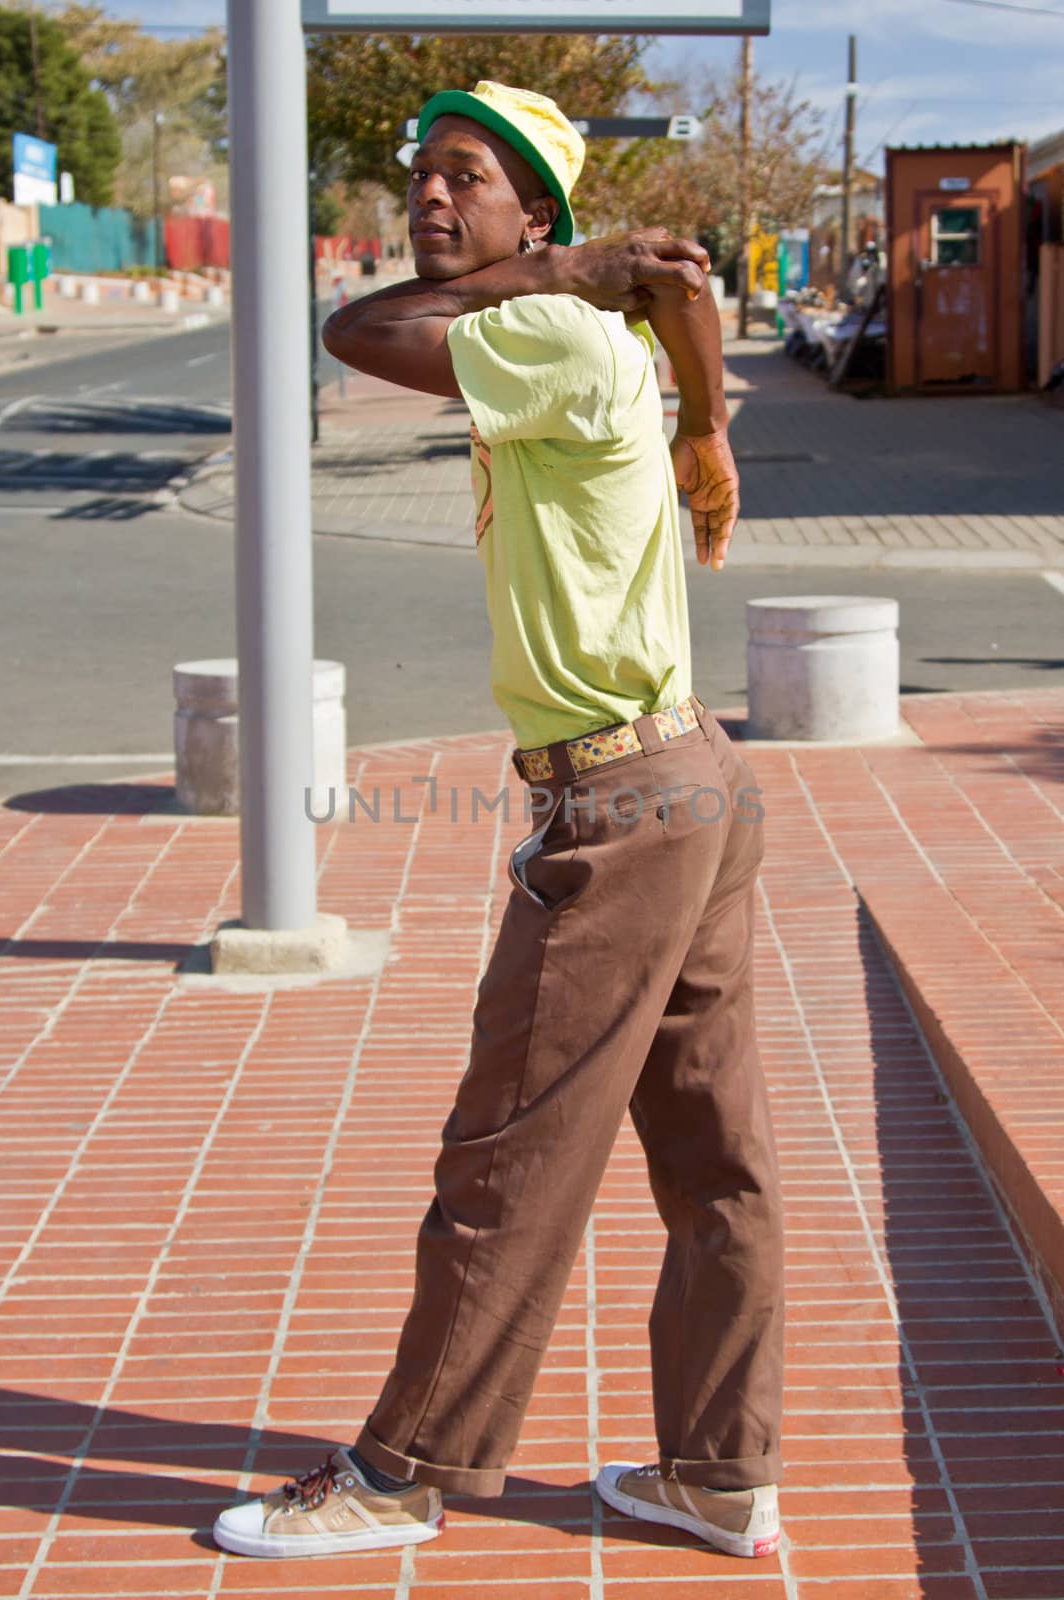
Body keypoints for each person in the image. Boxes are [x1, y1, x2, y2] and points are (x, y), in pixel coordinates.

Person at [213, 79, 784, 1565]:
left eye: (469, 180)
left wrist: (555, 279)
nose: (430, 199)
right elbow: (677, 286)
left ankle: (404, 1473)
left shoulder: (543, 331)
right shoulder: (585, 320)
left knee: (507, 1150)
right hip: (695, 779)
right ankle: (719, 1477)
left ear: (538, 215)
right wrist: (708, 427)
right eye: (423, 177)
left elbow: (350, 333)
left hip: (621, 806)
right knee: (715, 1157)